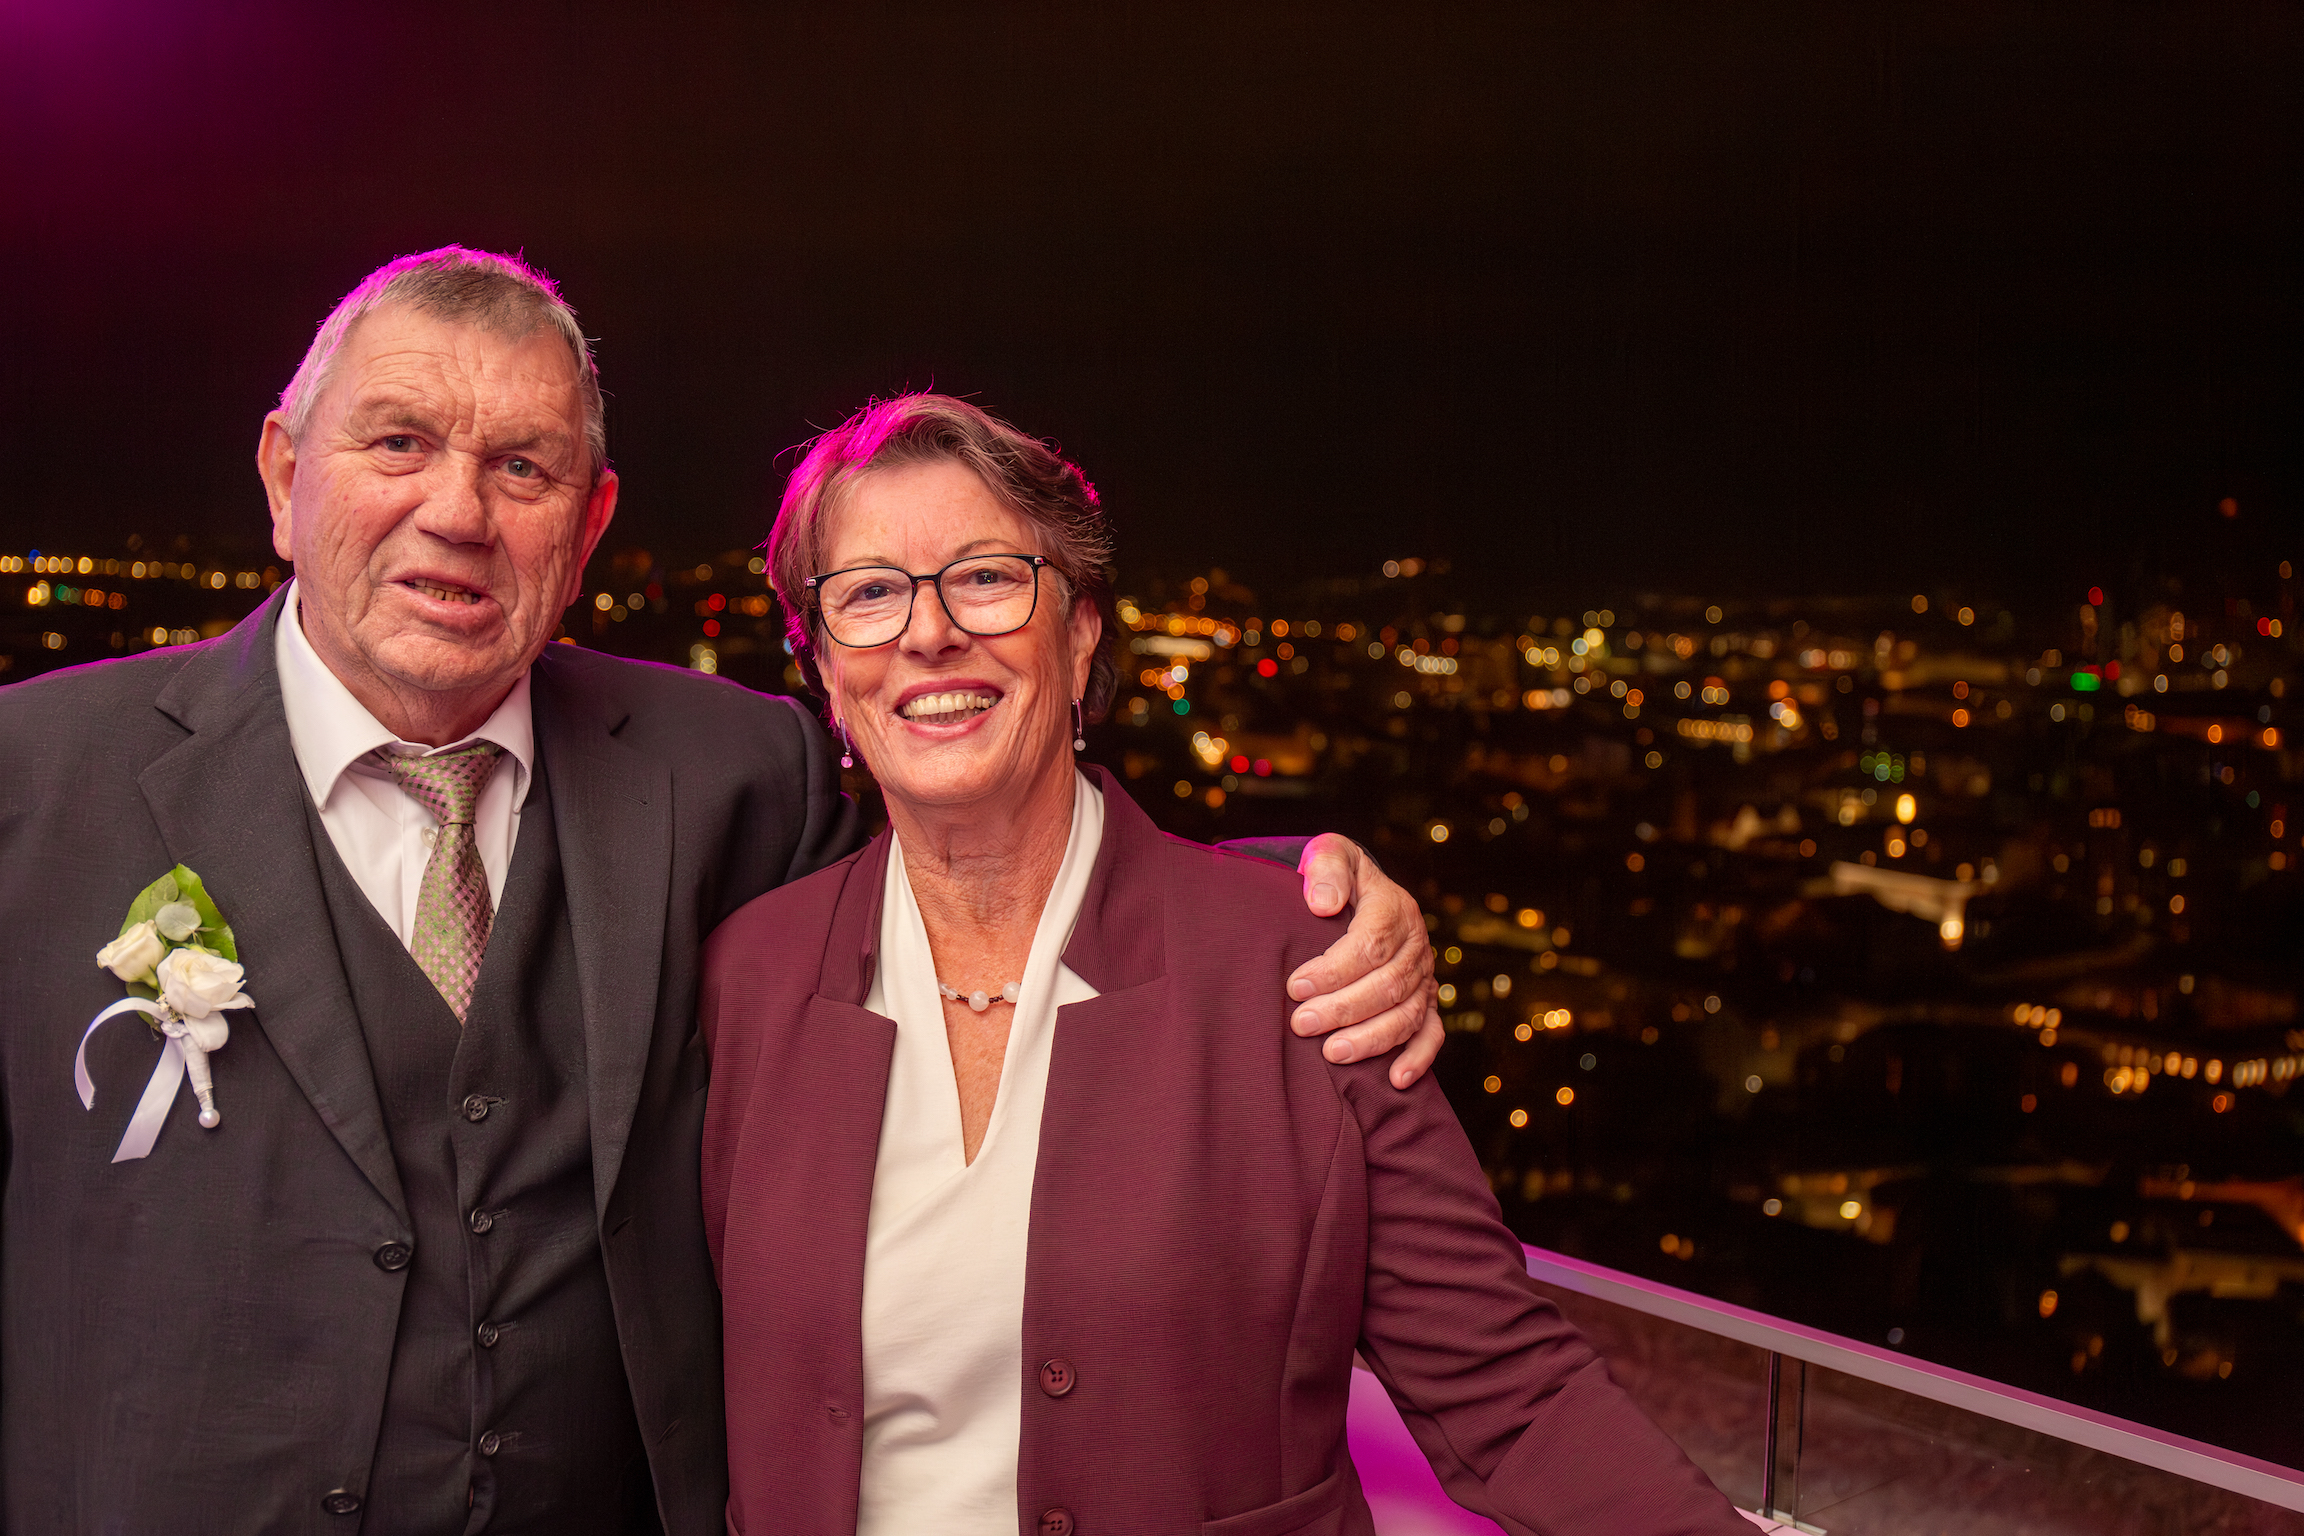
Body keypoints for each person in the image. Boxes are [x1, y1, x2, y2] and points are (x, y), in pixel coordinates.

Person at [0, 248, 1440, 1534]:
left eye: (523, 468)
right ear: (282, 475)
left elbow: (965, 880)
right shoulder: (30, 783)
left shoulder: (734, 772)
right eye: (398, 443)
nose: (458, 510)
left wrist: (1289, 901)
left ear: (591, 522)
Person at [701, 393, 1752, 1536]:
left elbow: (1513, 1397)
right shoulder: (748, 980)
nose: (929, 633)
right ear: (825, 669)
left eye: (987, 578)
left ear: (1082, 631)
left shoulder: (1299, 971)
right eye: (869, 594)